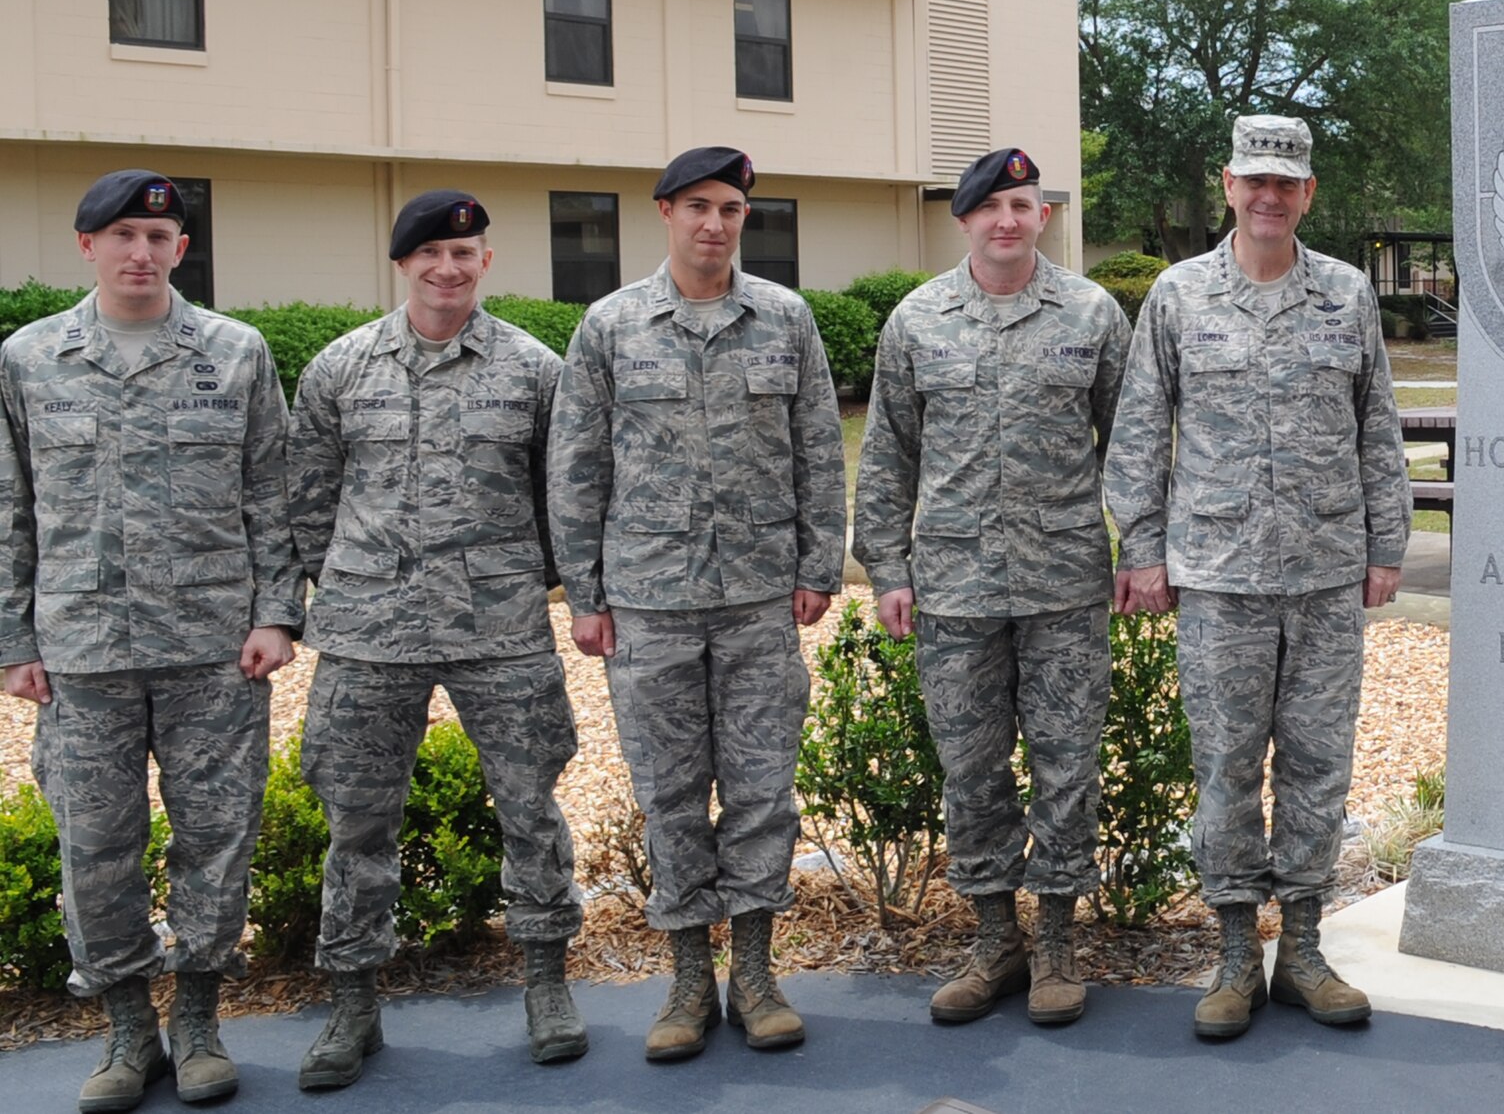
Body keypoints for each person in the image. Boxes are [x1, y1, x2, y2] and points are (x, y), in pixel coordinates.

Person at [0, 170, 304, 1111]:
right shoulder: (29, 358)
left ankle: (202, 1021)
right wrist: (13, 634)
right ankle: (129, 1032)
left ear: (181, 249)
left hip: (214, 649)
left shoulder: (236, 352)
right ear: (86, 245)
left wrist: (275, 614)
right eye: (123, 234)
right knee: (96, 847)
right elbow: (10, 506)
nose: (142, 251)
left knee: (217, 838)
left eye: (160, 237)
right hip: (82, 651)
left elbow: (271, 493)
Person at [1102, 115, 1409, 1040]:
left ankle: (1304, 949)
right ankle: (1236, 952)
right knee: (1228, 766)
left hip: (1322, 574)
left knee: (1319, 763)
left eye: (1288, 183)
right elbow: (1139, 431)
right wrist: (1143, 550)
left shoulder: (1347, 295)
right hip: (1221, 578)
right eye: (1254, 181)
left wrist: (1386, 545)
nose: (1270, 196)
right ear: (1229, 185)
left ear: (1307, 194)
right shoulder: (1178, 295)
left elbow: (1376, 427)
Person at [548, 145, 846, 1060]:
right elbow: (577, 462)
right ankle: (686, 980)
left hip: (759, 599)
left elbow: (820, 450)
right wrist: (586, 593)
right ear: (666, 213)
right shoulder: (612, 325)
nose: (714, 224)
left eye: (730, 209)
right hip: (649, 604)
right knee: (671, 794)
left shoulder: (785, 320)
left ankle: (754, 975)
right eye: (697, 207)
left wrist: (819, 565)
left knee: (761, 790)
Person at [286, 191, 587, 1088]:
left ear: (486, 263)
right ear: (402, 263)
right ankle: (352, 1005)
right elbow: (308, 500)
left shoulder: (534, 370)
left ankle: (546, 985)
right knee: (356, 820)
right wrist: (352, 582)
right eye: (430, 254)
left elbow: (560, 499)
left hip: (498, 629)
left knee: (531, 807)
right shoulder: (340, 369)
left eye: (464, 254)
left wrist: (516, 580)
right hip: (368, 634)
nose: (447, 270)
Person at [853, 148, 1130, 1026]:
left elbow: (1128, 444)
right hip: (955, 591)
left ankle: (1053, 939)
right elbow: (889, 454)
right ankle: (992, 938)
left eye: (1021, 203)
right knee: (971, 774)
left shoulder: (1091, 314)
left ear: (1042, 214)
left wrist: (1140, 553)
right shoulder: (917, 320)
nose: (1006, 219)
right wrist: (887, 570)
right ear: (962, 219)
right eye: (989, 206)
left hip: (1064, 589)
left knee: (1066, 767)